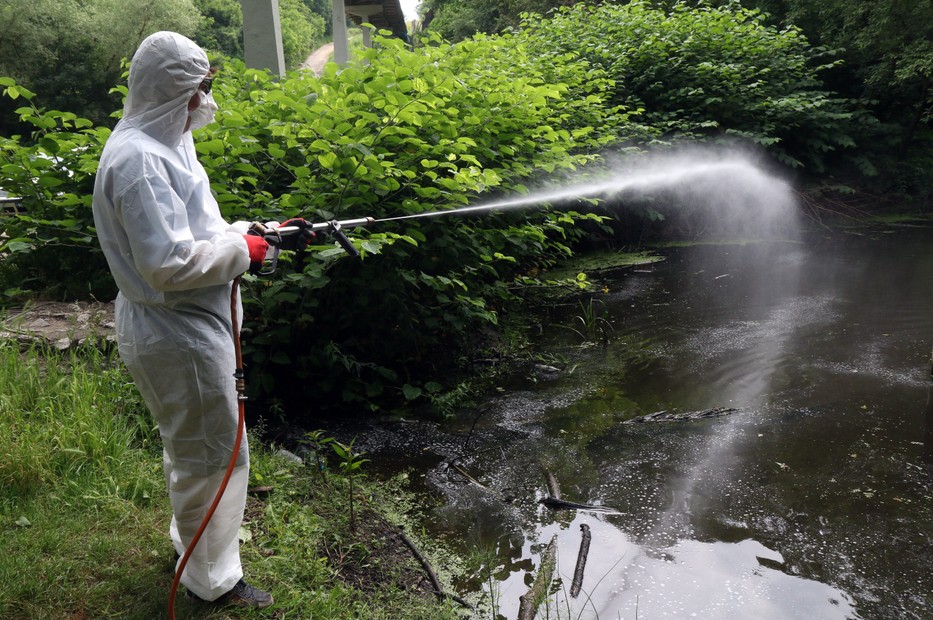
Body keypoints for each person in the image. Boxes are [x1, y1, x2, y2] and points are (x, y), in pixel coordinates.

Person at [92, 31, 273, 608]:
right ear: (175, 90)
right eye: (200, 88)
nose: (207, 99)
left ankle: (191, 549)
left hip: (187, 323)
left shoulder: (167, 143)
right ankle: (211, 584)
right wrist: (246, 252)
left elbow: (197, 229)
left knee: (196, 447)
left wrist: (249, 235)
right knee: (212, 453)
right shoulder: (139, 160)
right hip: (175, 330)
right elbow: (168, 264)